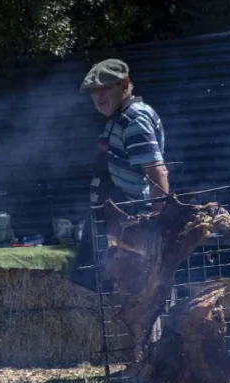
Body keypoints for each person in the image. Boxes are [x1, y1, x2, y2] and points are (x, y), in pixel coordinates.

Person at [71, 58, 169, 292]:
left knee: (137, 299)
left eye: (105, 87)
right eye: (94, 90)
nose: (98, 95)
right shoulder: (120, 119)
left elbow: (157, 172)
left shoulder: (134, 120)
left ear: (125, 85)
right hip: (115, 222)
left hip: (131, 225)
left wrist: (159, 226)